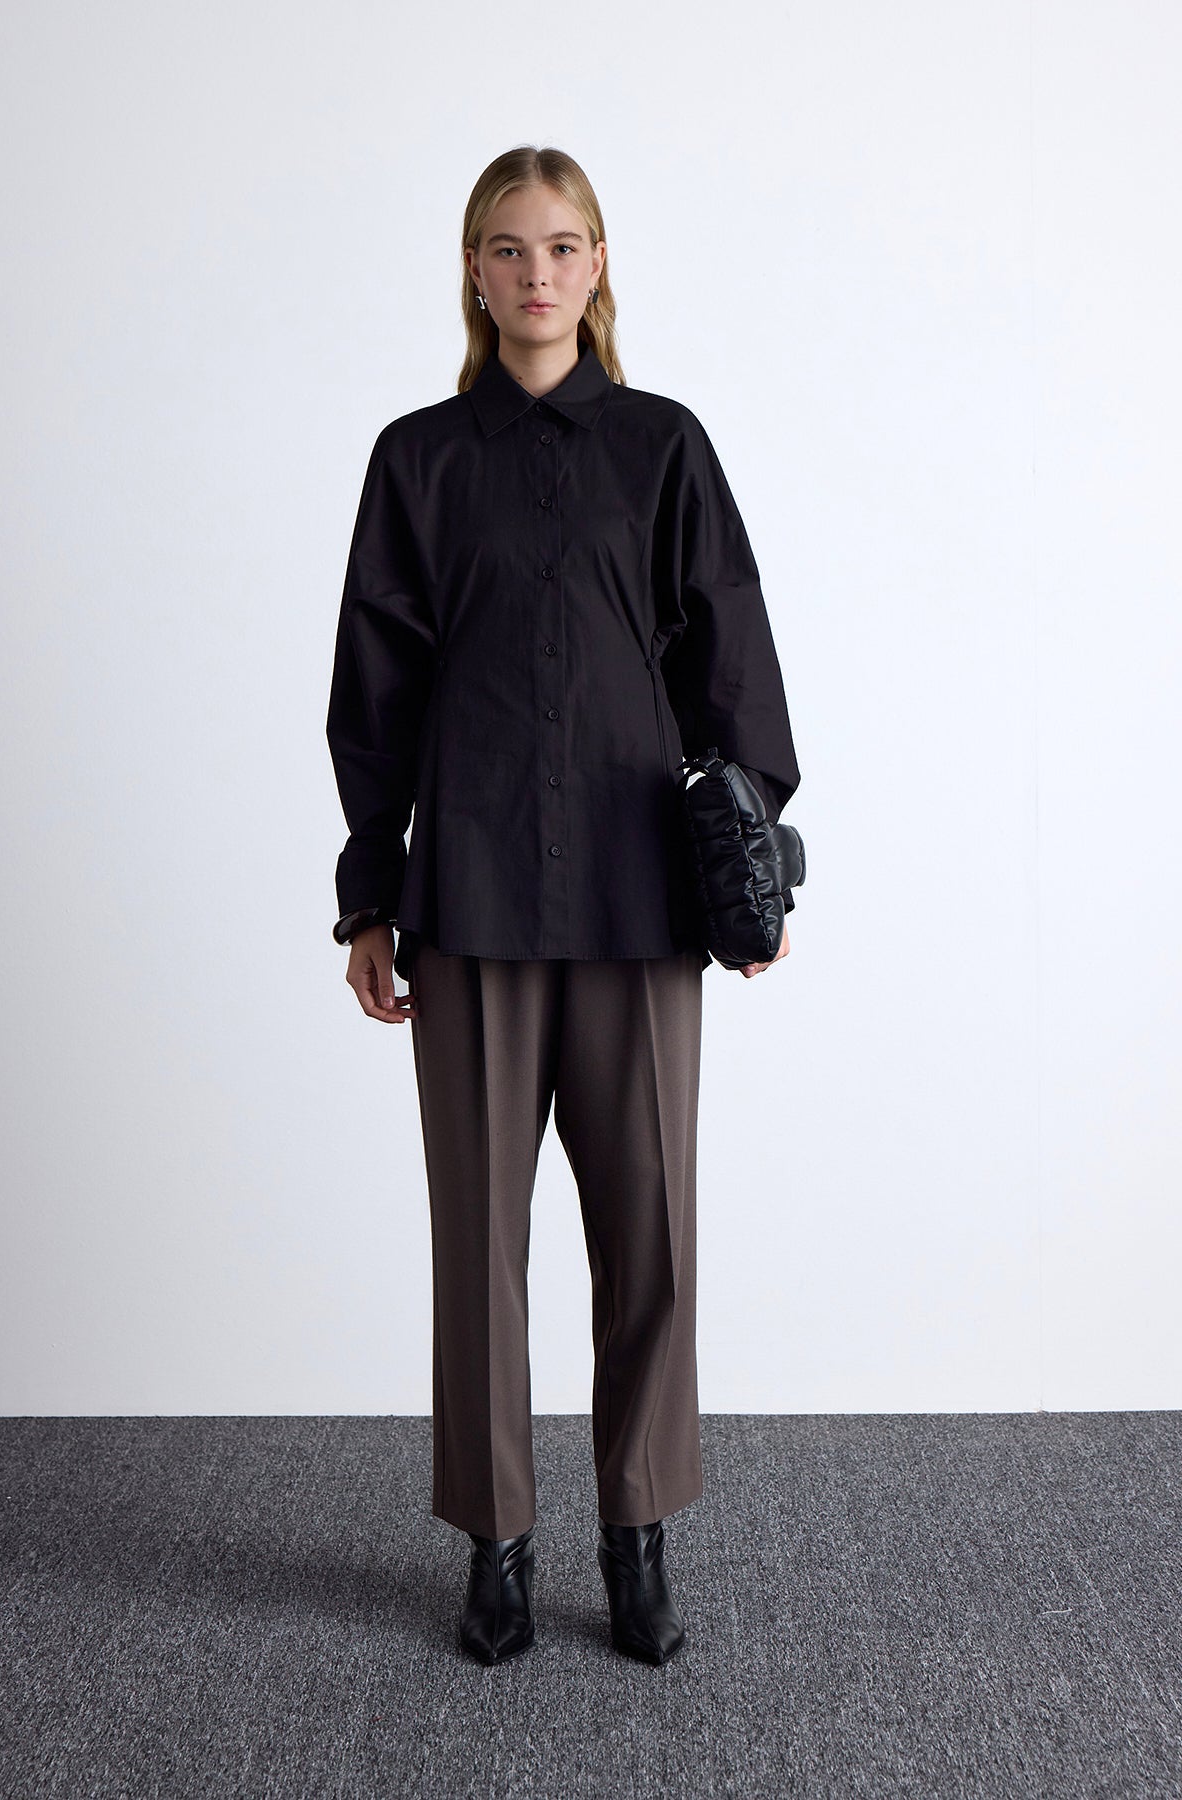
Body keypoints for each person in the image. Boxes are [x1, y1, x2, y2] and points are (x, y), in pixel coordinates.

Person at [326, 145, 801, 1667]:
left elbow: (731, 662)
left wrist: (752, 868)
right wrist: (369, 892)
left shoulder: (663, 447)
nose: (538, 273)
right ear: (474, 273)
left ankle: (637, 1537)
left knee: (649, 1229)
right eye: (509, 248)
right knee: (479, 1242)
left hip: (637, 898)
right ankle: (497, 1546)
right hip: (467, 898)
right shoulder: (417, 460)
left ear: (600, 266)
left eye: (565, 245)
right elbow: (375, 690)